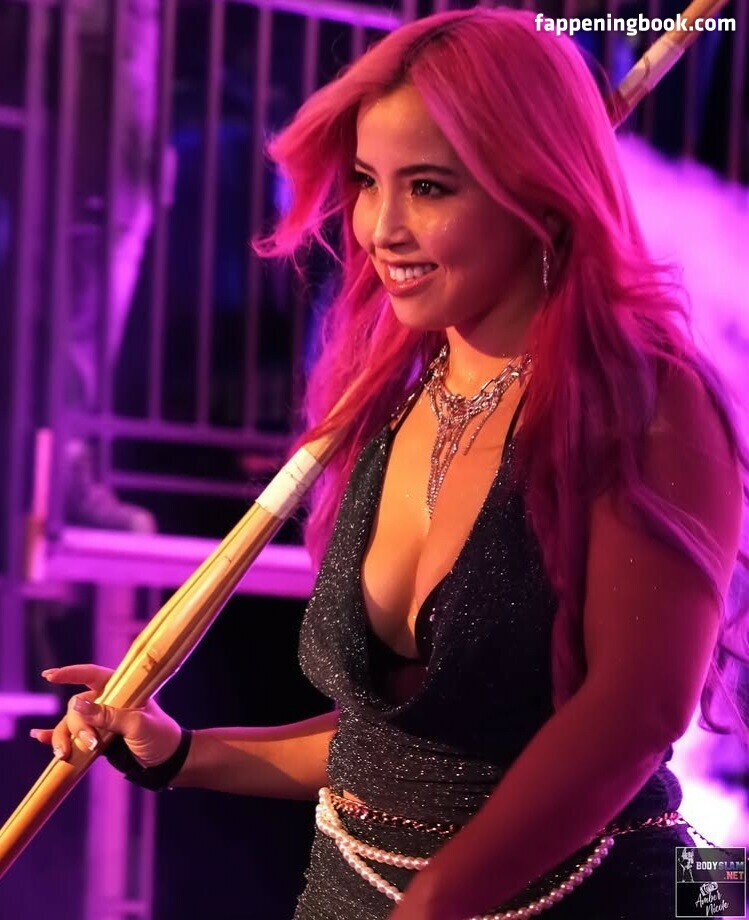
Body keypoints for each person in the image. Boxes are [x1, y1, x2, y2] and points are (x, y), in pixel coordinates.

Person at [31, 7, 748, 919]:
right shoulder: (406, 397)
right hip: (357, 894)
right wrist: (179, 751)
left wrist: (430, 902)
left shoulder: (646, 398)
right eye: (369, 182)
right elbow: (391, 753)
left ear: (538, 192)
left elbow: (634, 719)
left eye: (430, 188)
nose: (381, 228)